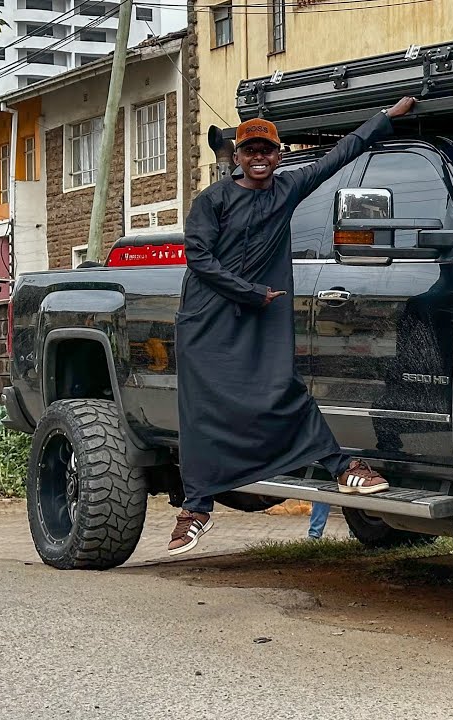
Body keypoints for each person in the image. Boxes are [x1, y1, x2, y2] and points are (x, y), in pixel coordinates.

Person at [169, 96, 417, 556]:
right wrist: (252, 292)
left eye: (267, 150)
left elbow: (339, 155)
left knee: (280, 388)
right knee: (201, 412)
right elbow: (198, 258)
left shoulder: (287, 189)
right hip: (208, 318)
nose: (259, 158)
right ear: (237, 157)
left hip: (260, 315)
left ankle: (342, 466)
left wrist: (386, 116)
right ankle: (197, 509)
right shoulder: (214, 199)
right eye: (250, 151)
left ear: (278, 154)